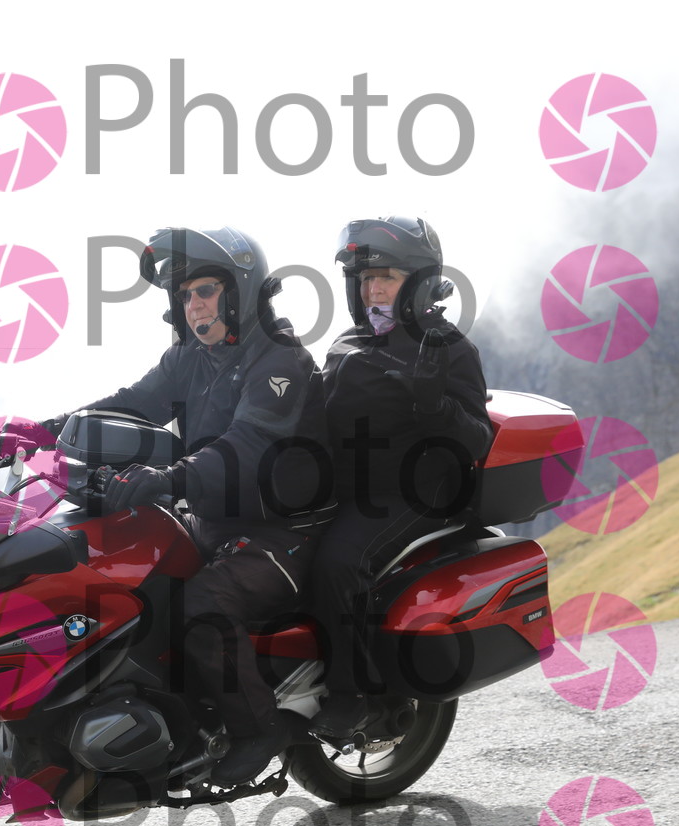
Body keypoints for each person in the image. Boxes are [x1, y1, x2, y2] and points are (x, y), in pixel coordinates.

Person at [26, 227, 333, 787]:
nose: (194, 305)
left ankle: (258, 728)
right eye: (186, 295)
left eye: (206, 290)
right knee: (126, 570)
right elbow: (133, 403)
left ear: (239, 291)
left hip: (284, 531)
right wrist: (48, 430)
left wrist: (169, 478)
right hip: (212, 519)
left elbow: (247, 445)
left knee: (202, 605)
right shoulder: (191, 357)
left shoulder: (280, 359)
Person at [310, 216, 494, 739]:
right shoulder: (348, 342)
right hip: (350, 485)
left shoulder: (449, 347)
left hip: (415, 491)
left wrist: (434, 405)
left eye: (385, 277)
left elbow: (477, 439)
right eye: (365, 278)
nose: (372, 289)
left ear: (419, 282)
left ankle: (355, 697)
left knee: (338, 563)